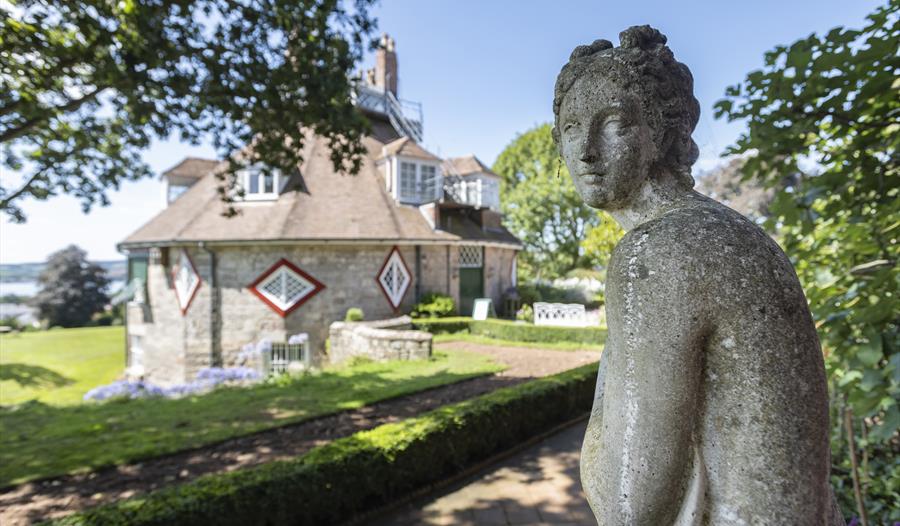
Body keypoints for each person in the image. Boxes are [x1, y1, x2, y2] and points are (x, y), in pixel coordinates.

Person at [553, 25, 844, 525]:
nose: (586, 151)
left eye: (615, 123)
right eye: (572, 127)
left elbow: (630, 503)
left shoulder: (660, 250)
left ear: (661, 131)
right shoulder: (723, 230)